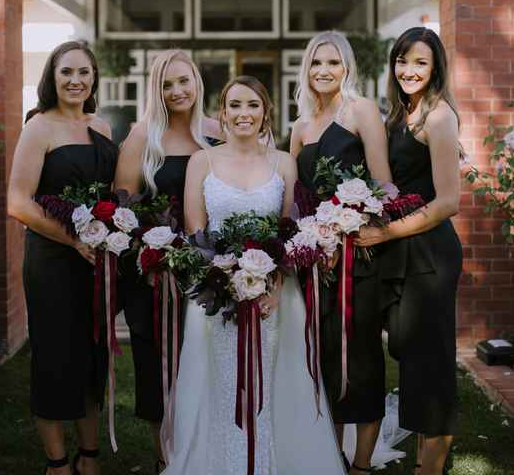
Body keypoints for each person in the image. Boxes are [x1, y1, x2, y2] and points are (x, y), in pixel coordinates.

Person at [162, 75, 346, 475]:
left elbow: (289, 230)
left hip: (276, 295)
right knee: (220, 382)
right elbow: (197, 233)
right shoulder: (202, 161)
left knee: (276, 382)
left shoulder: (284, 161)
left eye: (252, 105)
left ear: (265, 112)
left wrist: (274, 287)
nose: (243, 114)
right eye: (235, 106)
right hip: (216, 295)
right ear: (222, 113)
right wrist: (226, 281)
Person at [8, 41, 118, 475]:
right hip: (53, 260)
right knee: (55, 358)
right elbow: (18, 202)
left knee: (92, 356)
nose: (76, 81)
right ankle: (57, 464)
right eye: (66, 72)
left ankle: (87, 458)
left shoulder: (103, 127)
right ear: (52, 79)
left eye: (84, 73)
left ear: (94, 79)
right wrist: (74, 240)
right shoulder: (39, 128)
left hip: (96, 262)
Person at [356, 27, 462, 475]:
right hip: (403, 249)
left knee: (430, 363)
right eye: (402, 60)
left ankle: (430, 468)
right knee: (410, 356)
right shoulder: (401, 115)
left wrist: (385, 233)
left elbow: (447, 201)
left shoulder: (439, 117)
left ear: (435, 66)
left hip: (430, 255)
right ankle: (424, 458)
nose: (409, 70)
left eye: (420, 62)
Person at [114, 49, 221, 474]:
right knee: (158, 369)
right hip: (156, 277)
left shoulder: (218, 133)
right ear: (156, 90)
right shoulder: (143, 137)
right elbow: (123, 209)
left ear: (197, 82)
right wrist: (157, 251)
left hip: (211, 274)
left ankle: (205, 453)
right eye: (167, 84)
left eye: (184, 81)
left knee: (208, 366)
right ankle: (166, 459)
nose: (177, 91)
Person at [290, 30, 392, 474]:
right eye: (316, 63)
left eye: (332, 62)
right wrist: (311, 238)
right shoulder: (300, 126)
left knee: (363, 358)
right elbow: (295, 199)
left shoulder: (362, 110)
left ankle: (362, 464)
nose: (323, 71)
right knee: (321, 357)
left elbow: (384, 184)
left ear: (346, 66)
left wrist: (350, 230)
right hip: (313, 266)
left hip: (359, 262)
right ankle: (328, 454)